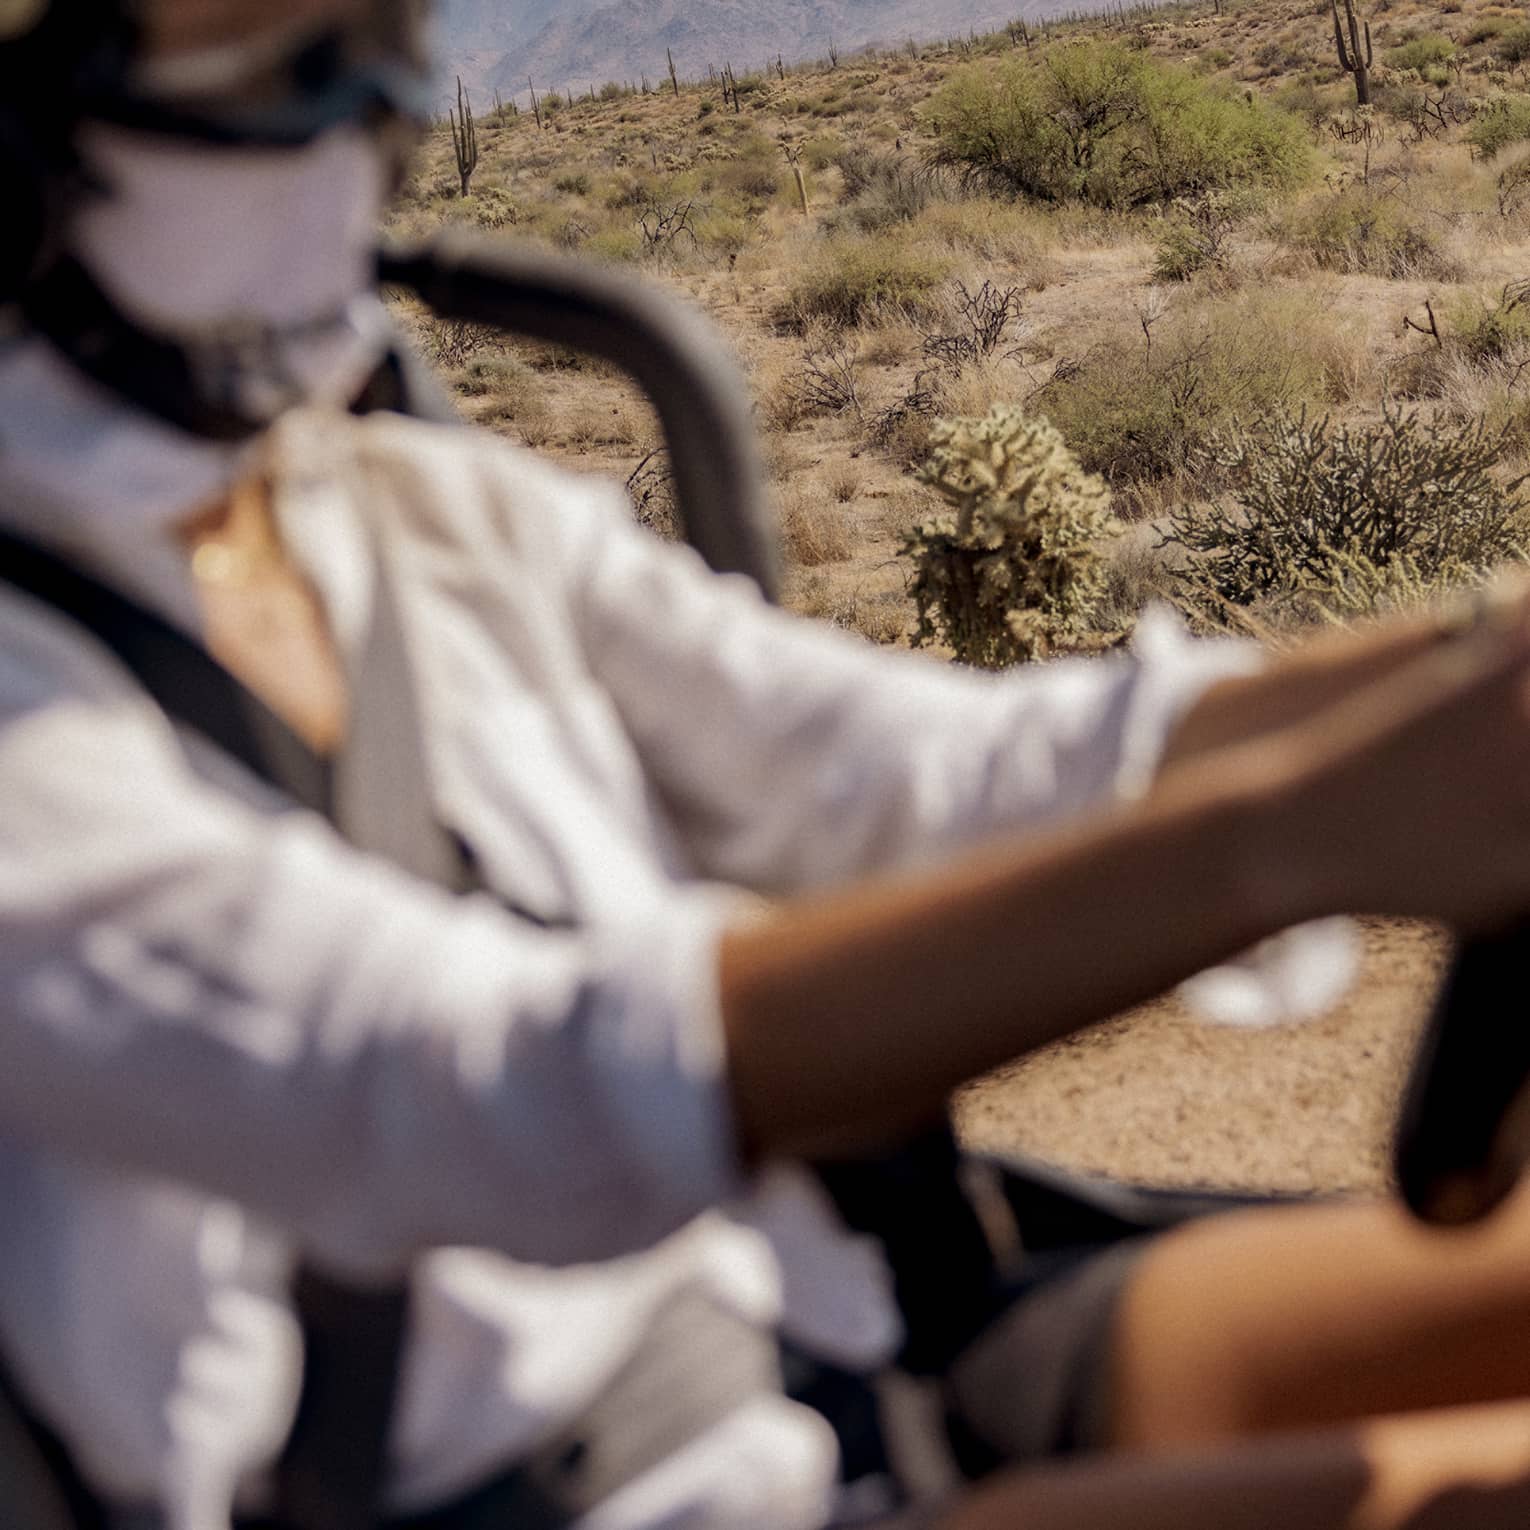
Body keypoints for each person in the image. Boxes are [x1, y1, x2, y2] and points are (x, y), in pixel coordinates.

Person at [7, 3, 1530, 1529]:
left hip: (805, 1353)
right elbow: (499, 1086)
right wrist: (1294, 838)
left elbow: (910, 769)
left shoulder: (411, 512)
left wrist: (1465, 665)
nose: (356, 112)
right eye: (252, 51)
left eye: (375, 37)